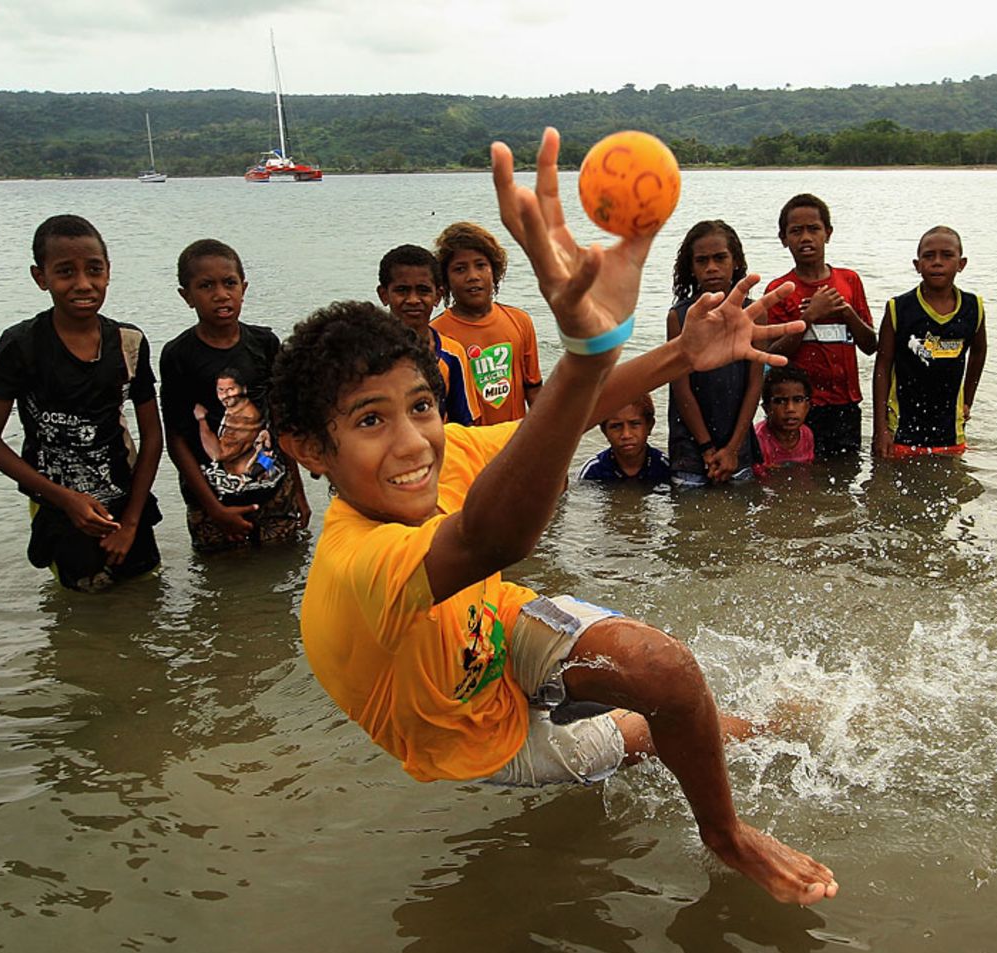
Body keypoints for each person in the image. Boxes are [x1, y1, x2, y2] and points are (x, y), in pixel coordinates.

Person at [269, 128, 837, 906]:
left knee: (667, 674)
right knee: (636, 736)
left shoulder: (444, 451)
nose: (414, 443)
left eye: (422, 406)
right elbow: (494, 536)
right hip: (477, 738)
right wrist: (584, 346)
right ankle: (706, 800)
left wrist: (679, 353)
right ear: (307, 447)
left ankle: (738, 798)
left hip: (498, 626)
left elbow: (559, 423)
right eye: (371, 421)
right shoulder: (353, 563)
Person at [0, 214, 162, 592]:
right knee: (83, 606)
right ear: (40, 278)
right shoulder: (22, 345)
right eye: (65, 272)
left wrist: (133, 522)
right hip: (59, 510)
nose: (83, 284)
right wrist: (65, 499)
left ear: (108, 271)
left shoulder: (128, 342)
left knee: (146, 597)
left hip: (127, 503)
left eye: (94, 270)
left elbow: (152, 436)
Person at [159, 239, 310, 552]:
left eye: (229, 283)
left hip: (274, 496)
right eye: (206, 286)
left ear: (244, 287)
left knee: (280, 585)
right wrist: (212, 508)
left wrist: (298, 490)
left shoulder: (264, 344)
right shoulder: (178, 355)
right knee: (219, 584)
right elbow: (176, 438)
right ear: (186, 296)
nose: (221, 294)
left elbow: (280, 421)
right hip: (213, 502)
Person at [763, 194, 877, 456]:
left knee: (845, 476)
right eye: (796, 231)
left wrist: (847, 313)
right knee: (802, 478)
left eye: (813, 229)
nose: (806, 238)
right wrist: (809, 317)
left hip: (846, 404)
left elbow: (871, 345)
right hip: (800, 409)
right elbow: (773, 355)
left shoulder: (850, 281)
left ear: (828, 233)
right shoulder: (780, 290)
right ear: (783, 239)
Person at [872, 226, 988, 459]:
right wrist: (880, 428)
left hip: (951, 430)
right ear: (917, 265)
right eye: (929, 256)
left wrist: (967, 400)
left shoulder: (973, 307)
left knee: (953, 483)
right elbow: (882, 366)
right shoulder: (899, 308)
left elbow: (978, 354)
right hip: (902, 430)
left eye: (947, 255)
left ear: (961, 263)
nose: (937, 262)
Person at [665, 220, 762, 485]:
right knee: (689, 523)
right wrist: (707, 447)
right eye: (702, 261)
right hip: (689, 447)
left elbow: (755, 385)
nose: (711, 268)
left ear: (736, 262)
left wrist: (731, 449)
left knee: (739, 521)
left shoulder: (753, 313)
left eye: (720, 258)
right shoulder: (679, 317)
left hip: (738, 445)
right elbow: (681, 388)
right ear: (691, 268)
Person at [430, 222, 542, 425]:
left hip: (515, 444)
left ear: (494, 270)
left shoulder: (519, 321)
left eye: (480, 265)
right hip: (468, 449)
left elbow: (534, 390)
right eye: (460, 269)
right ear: (445, 280)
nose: (473, 276)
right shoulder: (436, 334)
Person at [377, 244, 481, 427]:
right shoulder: (368, 353)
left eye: (423, 290)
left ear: (438, 296)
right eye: (402, 290)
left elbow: (465, 424)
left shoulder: (452, 354)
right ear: (384, 295)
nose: (413, 300)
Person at [577, 393, 671, 483]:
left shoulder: (666, 467)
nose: (626, 435)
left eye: (634, 424)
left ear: (649, 426)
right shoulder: (593, 471)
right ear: (604, 431)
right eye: (616, 426)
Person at [754, 367, 815, 477]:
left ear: (807, 406)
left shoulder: (806, 434)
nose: (790, 408)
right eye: (780, 401)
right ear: (766, 408)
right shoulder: (759, 440)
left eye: (798, 400)